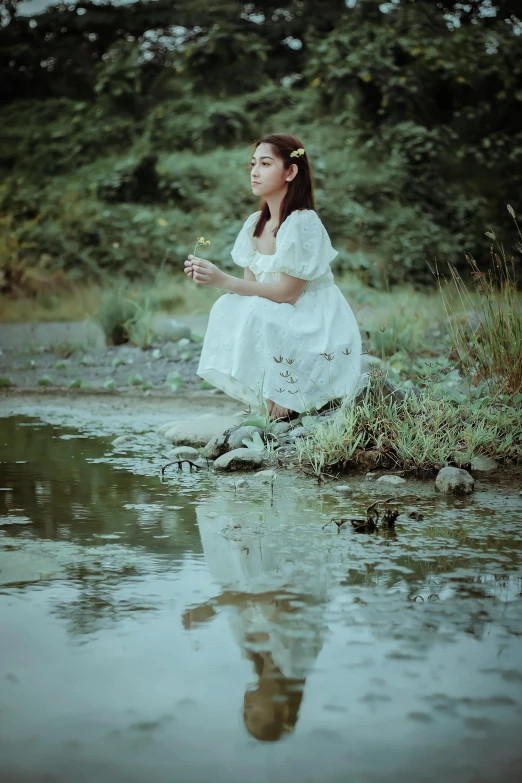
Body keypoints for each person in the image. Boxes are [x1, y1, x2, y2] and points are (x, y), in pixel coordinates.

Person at [184, 133, 365, 422]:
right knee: (228, 307)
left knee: (254, 308)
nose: (255, 171)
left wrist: (222, 280)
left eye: (266, 164)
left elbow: (288, 294)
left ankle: (289, 390)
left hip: (316, 322)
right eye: (253, 164)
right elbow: (251, 289)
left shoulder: (303, 222)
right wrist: (210, 277)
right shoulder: (255, 225)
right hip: (281, 317)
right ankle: (269, 391)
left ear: (290, 171)